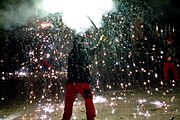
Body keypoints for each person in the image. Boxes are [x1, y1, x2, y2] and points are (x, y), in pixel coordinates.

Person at [62, 34, 106, 120]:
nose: (85, 43)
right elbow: (94, 52)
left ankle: (65, 118)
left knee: (68, 102)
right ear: (81, 43)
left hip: (71, 83)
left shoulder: (72, 52)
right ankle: (91, 118)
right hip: (83, 83)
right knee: (88, 100)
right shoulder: (83, 51)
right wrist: (101, 41)